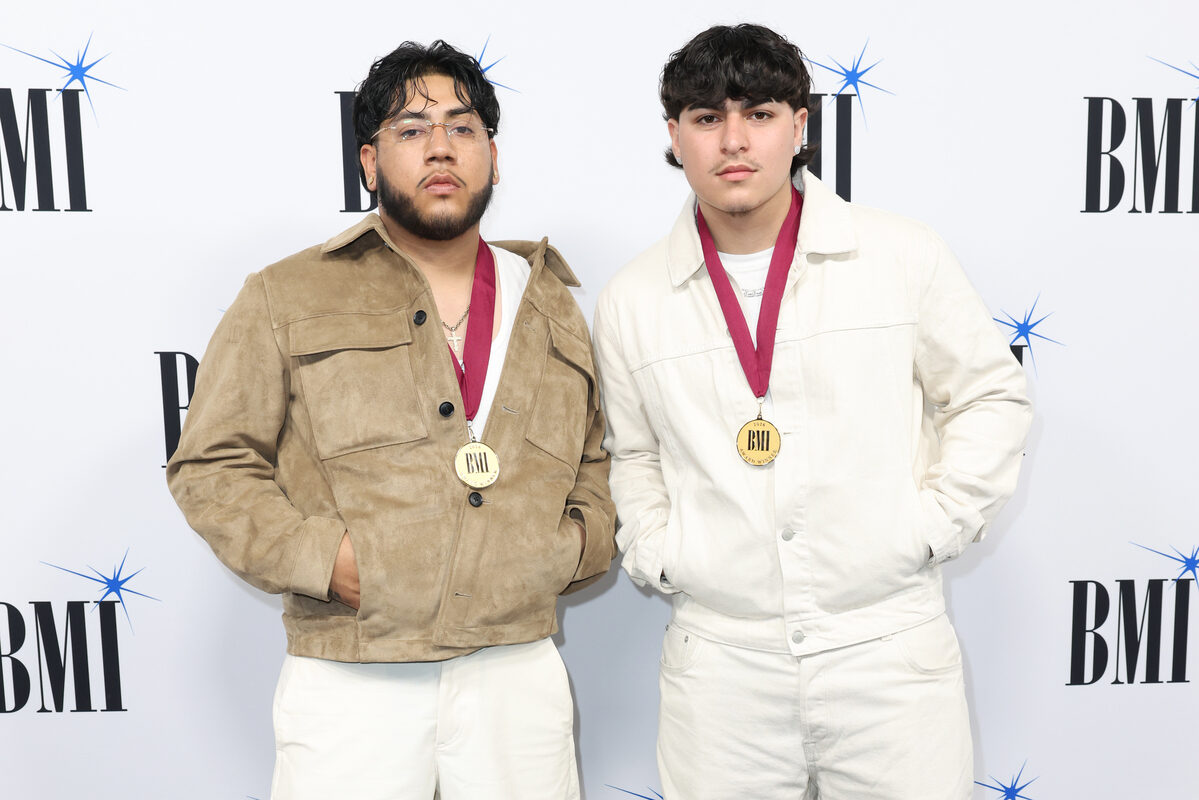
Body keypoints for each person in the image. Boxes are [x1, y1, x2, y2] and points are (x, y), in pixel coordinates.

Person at [593, 23, 1032, 800]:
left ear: (800, 125)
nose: (733, 140)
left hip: (888, 651)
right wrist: (665, 553)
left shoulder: (900, 254)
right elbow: (630, 455)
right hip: (721, 665)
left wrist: (929, 529)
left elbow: (988, 395)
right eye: (705, 117)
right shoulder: (633, 298)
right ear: (674, 135)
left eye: (758, 114)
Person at [167, 40, 614, 800]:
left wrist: (570, 548)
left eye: (462, 127)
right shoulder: (286, 294)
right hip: (352, 670)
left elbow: (594, 462)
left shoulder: (549, 302)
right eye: (410, 130)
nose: (440, 147)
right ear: (369, 163)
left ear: (493, 157)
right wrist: (322, 559)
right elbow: (210, 465)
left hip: (517, 670)